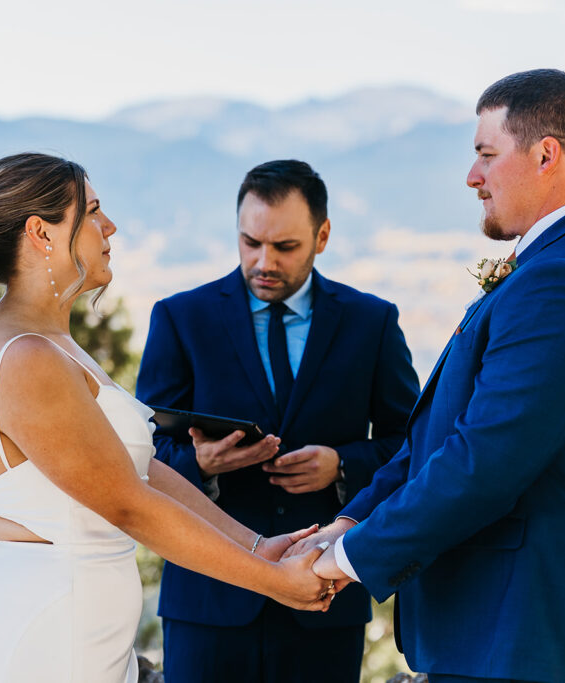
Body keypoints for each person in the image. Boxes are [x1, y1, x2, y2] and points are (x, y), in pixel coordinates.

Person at [0, 153, 334, 683]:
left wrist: (258, 545)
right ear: (41, 233)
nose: (110, 227)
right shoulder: (23, 358)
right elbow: (130, 506)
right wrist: (272, 581)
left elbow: (138, 472)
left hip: (84, 627)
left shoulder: (51, 344)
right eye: (93, 211)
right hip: (52, 635)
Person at [304, 69, 565, 682]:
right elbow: (437, 434)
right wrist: (348, 521)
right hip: (501, 634)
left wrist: (344, 561)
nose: (472, 177)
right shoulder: (557, 262)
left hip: (531, 636)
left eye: (486, 155)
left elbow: (485, 462)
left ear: (548, 155)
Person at [136, 159, 420, 683]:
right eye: (250, 242)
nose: (263, 261)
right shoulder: (181, 317)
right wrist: (202, 463)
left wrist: (343, 465)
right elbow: (142, 453)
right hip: (208, 601)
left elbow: (414, 445)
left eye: (285, 247)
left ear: (323, 235)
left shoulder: (371, 323)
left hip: (324, 596)